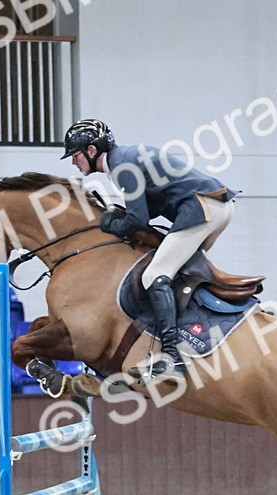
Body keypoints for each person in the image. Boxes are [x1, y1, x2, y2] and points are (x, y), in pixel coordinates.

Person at [60, 118, 238, 377]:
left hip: (202, 208)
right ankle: (198, 332)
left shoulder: (121, 166)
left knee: (155, 275)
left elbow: (138, 220)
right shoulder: (123, 160)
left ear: (91, 150)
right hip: (216, 206)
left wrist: (110, 225)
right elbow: (147, 208)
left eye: (75, 155)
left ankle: (173, 359)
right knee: (179, 271)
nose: (73, 162)